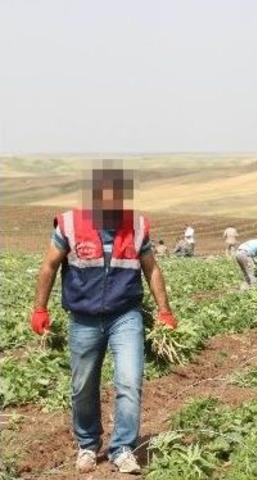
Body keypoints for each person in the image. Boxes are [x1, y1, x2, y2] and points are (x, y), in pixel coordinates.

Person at [29, 164, 177, 475]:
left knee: (129, 380)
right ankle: (87, 444)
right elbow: (48, 267)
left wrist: (164, 311)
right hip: (83, 318)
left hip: (126, 315)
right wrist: (39, 308)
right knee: (83, 385)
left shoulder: (135, 226)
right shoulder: (70, 224)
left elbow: (152, 269)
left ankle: (122, 448)